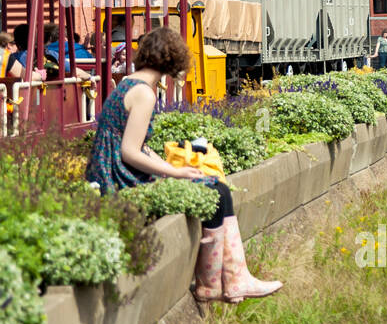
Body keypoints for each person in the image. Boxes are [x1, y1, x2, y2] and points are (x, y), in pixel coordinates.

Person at [85, 27, 281, 305]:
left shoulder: (129, 83)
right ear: (172, 59)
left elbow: (137, 145)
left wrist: (168, 167)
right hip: (118, 178)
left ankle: (229, 280)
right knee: (216, 191)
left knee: (215, 188)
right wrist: (175, 171)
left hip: (108, 172)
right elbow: (130, 152)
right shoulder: (145, 93)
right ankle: (217, 283)